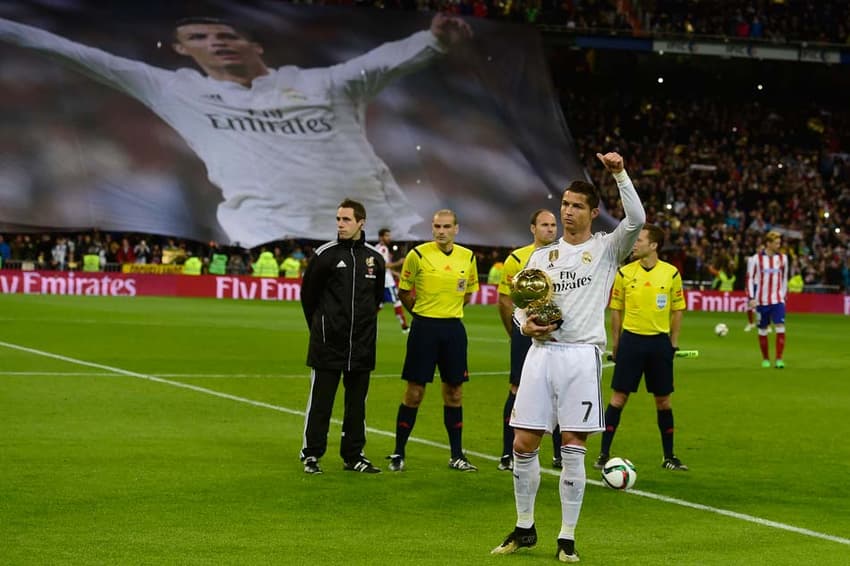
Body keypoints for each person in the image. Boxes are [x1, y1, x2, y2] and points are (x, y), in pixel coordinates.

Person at [0, 14, 472, 248]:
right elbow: (71, 51)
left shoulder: (322, 83)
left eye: (227, 36)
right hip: (272, 237)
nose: (217, 43)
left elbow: (381, 61)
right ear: (183, 52)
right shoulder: (176, 89)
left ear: (254, 44)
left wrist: (434, 40)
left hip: (373, 233)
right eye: (200, 38)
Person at [491, 152, 645, 563]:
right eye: (564, 205)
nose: (568, 211)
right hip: (541, 354)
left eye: (577, 206)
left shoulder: (608, 248)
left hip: (580, 356)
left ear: (593, 212)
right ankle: (525, 528)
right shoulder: (542, 258)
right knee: (524, 443)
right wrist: (526, 326)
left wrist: (620, 174)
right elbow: (524, 303)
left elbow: (637, 220)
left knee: (573, 444)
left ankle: (567, 537)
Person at [387, 209, 480, 472]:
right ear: (432, 228)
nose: (441, 231)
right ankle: (398, 452)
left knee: (455, 393)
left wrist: (447, 311)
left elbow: (468, 294)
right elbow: (404, 291)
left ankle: (457, 455)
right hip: (424, 329)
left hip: (453, 330)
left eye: (446, 226)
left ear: (456, 229)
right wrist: (421, 314)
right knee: (414, 393)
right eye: (437, 226)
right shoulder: (417, 255)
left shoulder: (468, 257)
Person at [299, 198, 385, 474]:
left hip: (361, 345)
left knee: (356, 406)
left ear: (361, 222)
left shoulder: (375, 259)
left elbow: (375, 301)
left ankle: (354, 455)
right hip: (328, 344)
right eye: (338, 219)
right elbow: (308, 298)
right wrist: (321, 328)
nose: (340, 224)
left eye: (346, 219)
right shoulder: (325, 255)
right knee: (321, 403)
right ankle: (311, 454)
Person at [594, 224, 689, 473]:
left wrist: (673, 343)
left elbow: (678, 309)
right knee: (618, 398)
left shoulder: (671, 274)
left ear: (654, 245)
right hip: (631, 341)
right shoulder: (624, 273)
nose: (634, 244)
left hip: (659, 343)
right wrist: (617, 344)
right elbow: (616, 311)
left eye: (639, 240)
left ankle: (669, 456)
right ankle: (604, 453)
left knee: (664, 401)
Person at [496, 209, 559, 472]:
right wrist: (517, 330)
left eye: (553, 225)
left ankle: (560, 454)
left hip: (557, 332)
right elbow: (504, 300)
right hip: (525, 332)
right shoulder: (516, 259)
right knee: (517, 388)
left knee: (558, 391)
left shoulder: (565, 256)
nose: (550, 229)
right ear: (533, 228)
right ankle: (507, 453)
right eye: (544, 224)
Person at [747, 231, 788, 368]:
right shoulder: (756, 259)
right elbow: (750, 278)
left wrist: (783, 295)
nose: (779, 245)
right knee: (762, 329)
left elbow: (784, 278)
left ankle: (779, 359)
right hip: (761, 301)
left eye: (779, 242)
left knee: (780, 327)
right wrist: (751, 297)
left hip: (777, 300)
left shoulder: (783, 259)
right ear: (768, 244)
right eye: (776, 243)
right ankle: (765, 359)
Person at [374, 228, 409, 332]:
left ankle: (364, 322)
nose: (389, 238)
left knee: (379, 304)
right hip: (387, 282)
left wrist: (396, 273)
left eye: (389, 235)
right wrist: (399, 263)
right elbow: (384, 265)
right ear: (381, 237)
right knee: (397, 301)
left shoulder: (378, 248)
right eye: (387, 235)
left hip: (382, 280)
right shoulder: (383, 249)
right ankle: (404, 327)